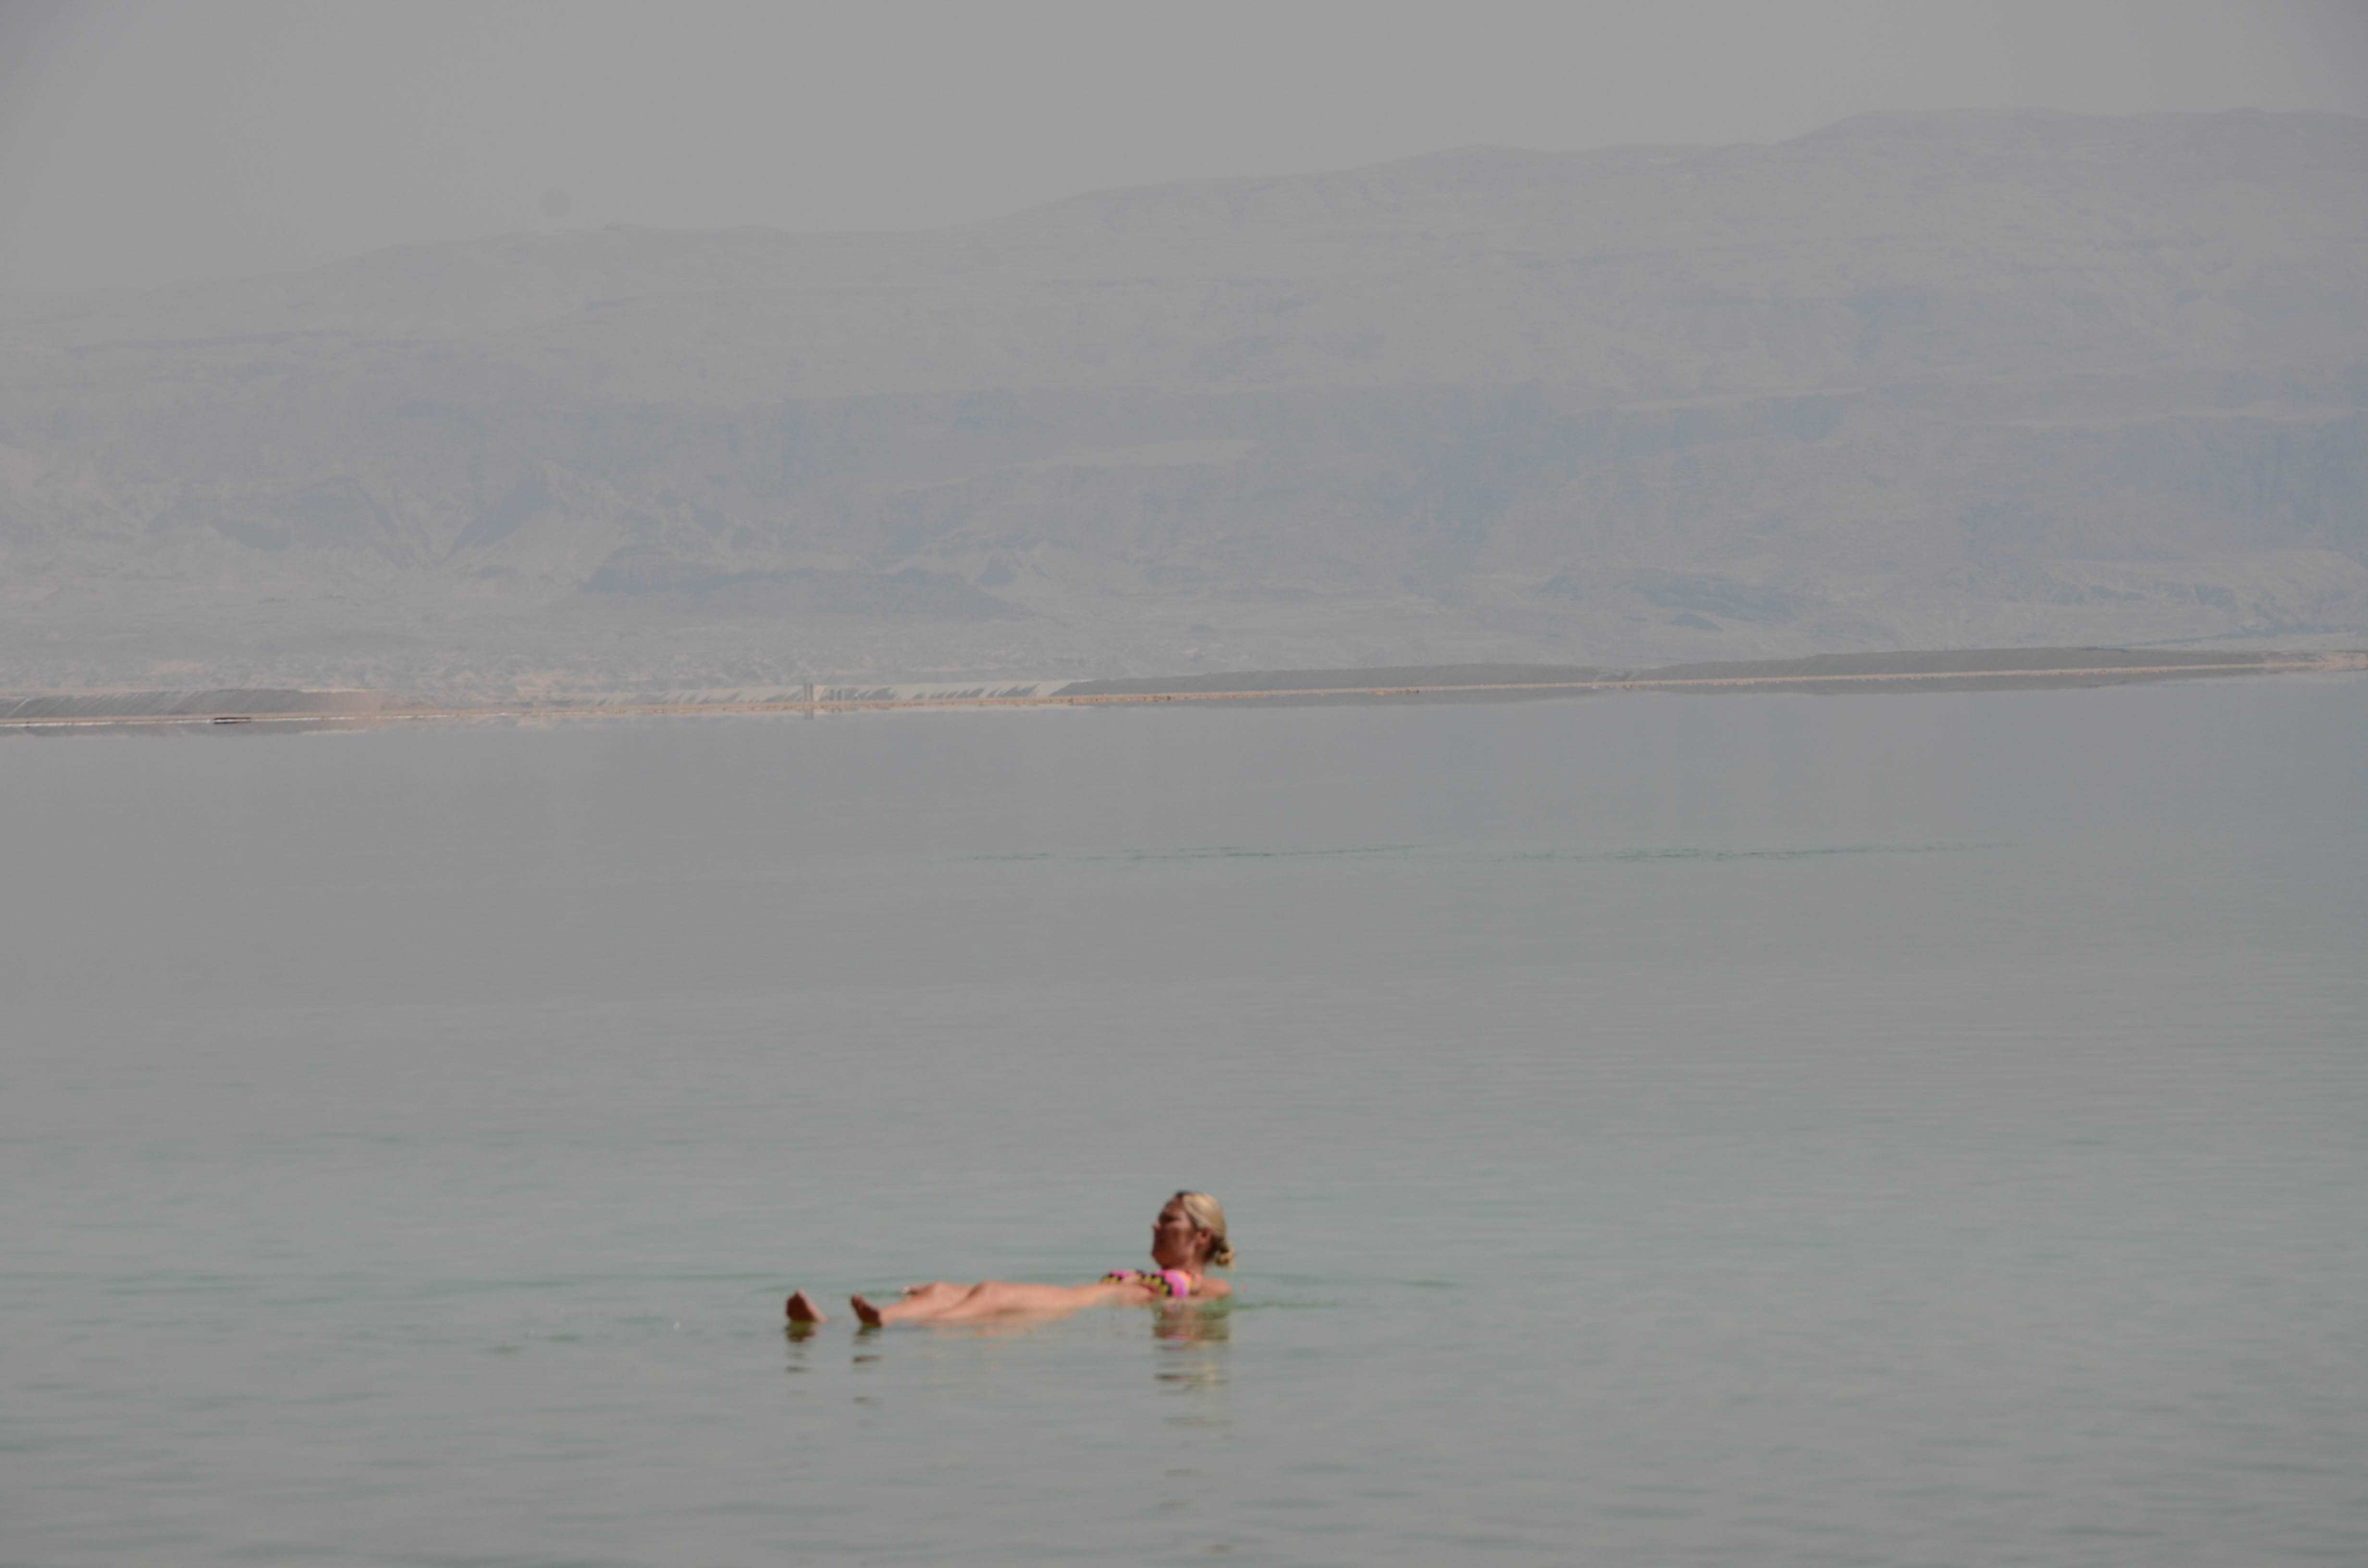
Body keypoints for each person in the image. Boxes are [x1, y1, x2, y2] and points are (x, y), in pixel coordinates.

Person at [785, 1191, 1234, 1327]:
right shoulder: (1143, 1276)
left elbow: (1209, 1302)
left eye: (1168, 1221)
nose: (1155, 1227)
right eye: (1157, 1220)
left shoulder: (1210, 1286)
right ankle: (864, 1321)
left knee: (991, 1292)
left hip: (1073, 1308)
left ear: (1201, 1236)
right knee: (942, 1289)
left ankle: (893, 1326)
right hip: (1068, 1296)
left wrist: (1184, 1301)